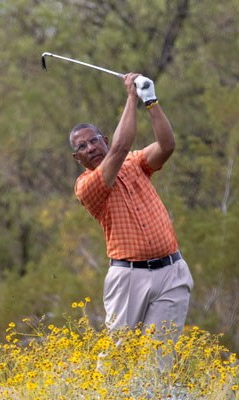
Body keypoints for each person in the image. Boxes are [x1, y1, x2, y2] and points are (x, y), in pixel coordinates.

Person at [69, 72, 193, 346]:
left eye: (94, 140)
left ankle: (155, 391)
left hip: (171, 271)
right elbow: (120, 147)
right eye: (82, 147)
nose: (90, 148)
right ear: (78, 159)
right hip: (128, 277)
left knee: (158, 359)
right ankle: (103, 391)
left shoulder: (135, 163)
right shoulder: (86, 186)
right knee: (118, 356)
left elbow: (167, 145)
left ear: (103, 139)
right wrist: (130, 97)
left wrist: (151, 101)